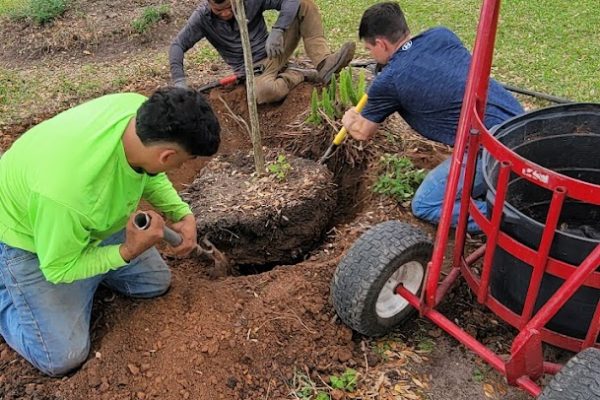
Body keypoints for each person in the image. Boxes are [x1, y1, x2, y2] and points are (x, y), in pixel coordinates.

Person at [0, 87, 221, 376]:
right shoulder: (67, 193)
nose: (181, 166)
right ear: (167, 155)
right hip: (32, 239)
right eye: (184, 160)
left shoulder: (138, 115)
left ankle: (90, 274)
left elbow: (147, 171)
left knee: (155, 282)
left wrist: (181, 213)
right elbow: (58, 269)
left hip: (87, 220)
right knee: (62, 357)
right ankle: (9, 289)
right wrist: (127, 251)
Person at [342, 2, 524, 232]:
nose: (371, 55)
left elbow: (363, 132)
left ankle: (511, 218)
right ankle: (499, 190)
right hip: (520, 126)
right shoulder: (441, 35)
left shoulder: (390, 80)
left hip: (493, 150)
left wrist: (348, 119)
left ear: (381, 43)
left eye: (369, 49)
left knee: (426, 204)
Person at [169, 0, 356, 104]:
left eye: (229, 7)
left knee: (305, 4)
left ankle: (324, 63)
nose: (226, 13)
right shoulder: (202, 18)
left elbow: (291, 1)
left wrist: (279, 29)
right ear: (209, 4)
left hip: (275, 50)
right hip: (254, 71)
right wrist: (179, 81)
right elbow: (177, 45)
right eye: (219, 10)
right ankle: (298, 75)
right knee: (263, 93)